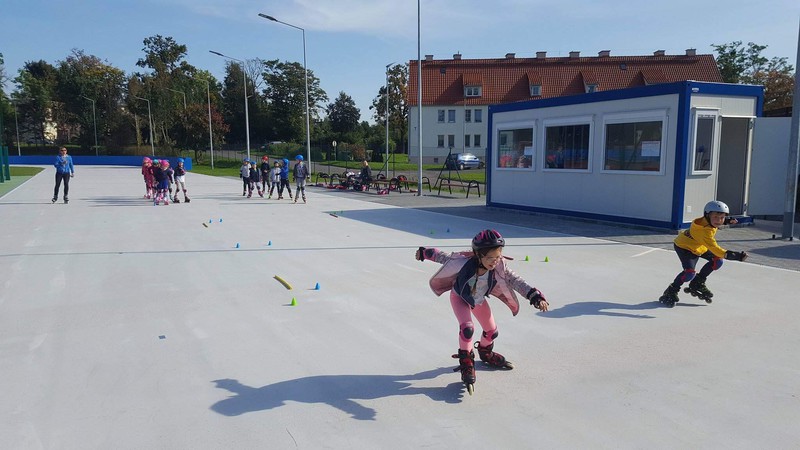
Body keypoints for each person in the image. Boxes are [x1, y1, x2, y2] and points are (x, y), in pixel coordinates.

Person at [415, 229, 549, 393]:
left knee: (492, 332)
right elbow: (443, 256)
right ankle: (466, 362)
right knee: (467, 328)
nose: (494, 262)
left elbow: (516, 280)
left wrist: (534, 296)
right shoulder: (463, 263)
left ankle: (485, 353)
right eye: (490, 258)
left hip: (478, 300)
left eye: (497, 256)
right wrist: (424, 253)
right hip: (460, 298)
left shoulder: (500, 266)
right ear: (478, 255)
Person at [659, 200, 748, 307]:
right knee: (689, 273)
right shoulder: (704, 232)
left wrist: (727, 220)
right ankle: (671, 290)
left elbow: (714, 221)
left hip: (699, 245)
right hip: (685, 247)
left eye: (722, 217)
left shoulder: (707, 221)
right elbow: (716, 249)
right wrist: (736, 256)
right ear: (707, 215)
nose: (719, 220)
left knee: (717, 261)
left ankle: (698, 282)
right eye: (716, 217)